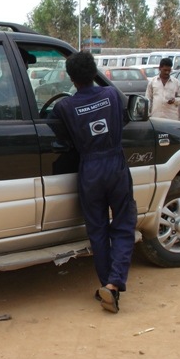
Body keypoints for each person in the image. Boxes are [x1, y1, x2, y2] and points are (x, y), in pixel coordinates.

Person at [49, 52, 137, 314]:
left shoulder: (64, 107)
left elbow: (58, 131)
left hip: (90, 170)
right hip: (115, 165)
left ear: (71, 78)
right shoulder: (111, 95)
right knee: (123, 223)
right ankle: (114, 283)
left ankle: (106, 285)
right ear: (94, 70)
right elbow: (124, 118)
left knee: (97, 229)